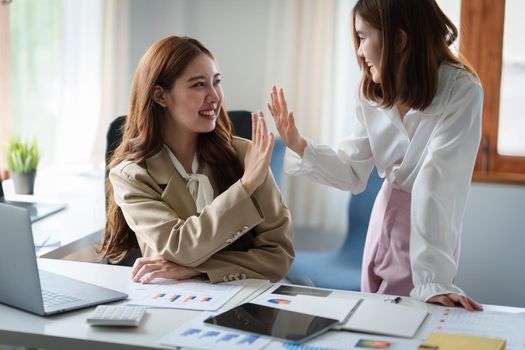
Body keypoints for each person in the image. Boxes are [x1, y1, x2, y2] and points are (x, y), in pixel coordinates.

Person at [268, 0, 483, 310]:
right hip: (384, 222)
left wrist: (433, 281)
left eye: (363, 37)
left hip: (429, 233)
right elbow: (352, 171)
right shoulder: (371, 91)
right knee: (377, 321)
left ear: (398, 40)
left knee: (419, 318)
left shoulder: (462, 90)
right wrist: (299, 144)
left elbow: (437, 184)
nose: (359, 51)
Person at [99, 36, 294, 284]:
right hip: (169, 301)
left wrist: (199, 270)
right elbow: (180, 247)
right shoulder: (131, 176)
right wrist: (244, 188)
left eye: (217, 82)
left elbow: (280, 255)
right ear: (160, 96)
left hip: (246, 297)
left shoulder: (247, 156)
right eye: (199, 85)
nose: (214, 96)